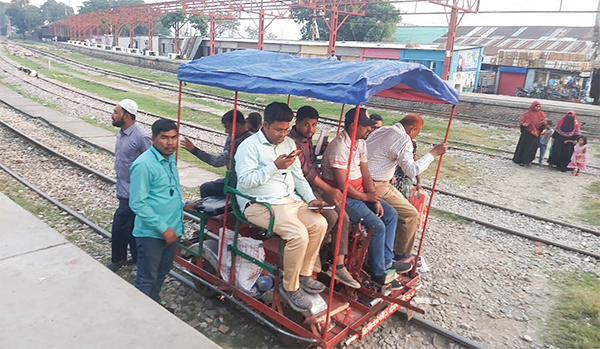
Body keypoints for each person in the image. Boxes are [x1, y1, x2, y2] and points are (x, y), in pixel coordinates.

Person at [235, 102, 328, 312]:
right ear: (265, 125)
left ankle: (304, 274)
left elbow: (299, 176)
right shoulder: (249, 147)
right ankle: (290, 286)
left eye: (286, 129)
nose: (283, 134)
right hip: (260, 203)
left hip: (288, 199)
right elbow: (245, 182)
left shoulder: (288, 144)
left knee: (320, 224)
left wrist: (311, 198)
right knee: (298, 235)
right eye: (278, 129)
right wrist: (273, 167)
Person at [322, 107, 406, 290]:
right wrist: (365, 196)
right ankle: (378, 272)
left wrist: (373, 198)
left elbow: (365, 172)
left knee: (391, 214)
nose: (369, 129)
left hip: (360, 193)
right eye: (366, 126)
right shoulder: (339, 146)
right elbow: (342, 185)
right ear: (354, 125)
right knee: (377, 225)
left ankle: (385, 261)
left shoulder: (360, 143)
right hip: (344, 196)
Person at [287, 106, 360, 289]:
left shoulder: (306, 139)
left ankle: (339, 264)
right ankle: (315, 254)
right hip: (299, 189)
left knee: (343, 215)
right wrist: (328, 189)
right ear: (297, 122)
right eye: (306, 125)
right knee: (331, 216)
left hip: (314, 186)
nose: (310, 129)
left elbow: (312, 166)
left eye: (314, 125)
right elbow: (306, 173)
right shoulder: (291, 142)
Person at [129, 119, 198, 304]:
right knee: (146, 278)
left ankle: (155, 307)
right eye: (164, 138)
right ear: (153, 138)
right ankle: (142, 316)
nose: (170, 143)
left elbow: (163, 193)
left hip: (172, 231)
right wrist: (163, 229)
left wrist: (183, 205)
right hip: (153, 234)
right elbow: (137, 203)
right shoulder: (143, 165)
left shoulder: (169, 160)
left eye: (174, 137)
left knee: (162, 272)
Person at [366, 113, 447, 263]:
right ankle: (401, 255)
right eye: (417, 132)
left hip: (365, 179)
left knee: (399, 207)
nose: (414, 136)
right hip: (376, 185)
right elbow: (411, 171)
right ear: (412, 129)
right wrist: (434, 153)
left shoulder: (382, 130)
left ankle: (391, 248)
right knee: (410, 214)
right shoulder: (403, 139)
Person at [107, 98, 152, 272]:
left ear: (126, 116)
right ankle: (137, 257)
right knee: (133, 225)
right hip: (124, 189)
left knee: (119, 226)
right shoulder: (122, 132)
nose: (112, 115)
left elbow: (152, 161)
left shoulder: (141, 136)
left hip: (135, 193)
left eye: (116, 112)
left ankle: (118, 259)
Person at [180, 110, 252, 198]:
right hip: (239, 180)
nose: (226, 131)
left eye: (228, 128)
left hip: (238, 183)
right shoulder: (249, 136)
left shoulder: (239, 143)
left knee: (205, 188)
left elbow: (217, 162)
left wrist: (194, 150)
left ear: (236, 126)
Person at [512, 101, 546, 166]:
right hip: (526, 133)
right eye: (536, 106)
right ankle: (520, 160)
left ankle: (529, 160)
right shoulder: (527, 113)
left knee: (532, 148)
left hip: (535, 134)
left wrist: (543, 124)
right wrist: (523, 124)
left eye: (539, 107)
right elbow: (522, 121)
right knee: (524, 146)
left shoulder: (542, 114)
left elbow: (544, 123)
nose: (537, 108)